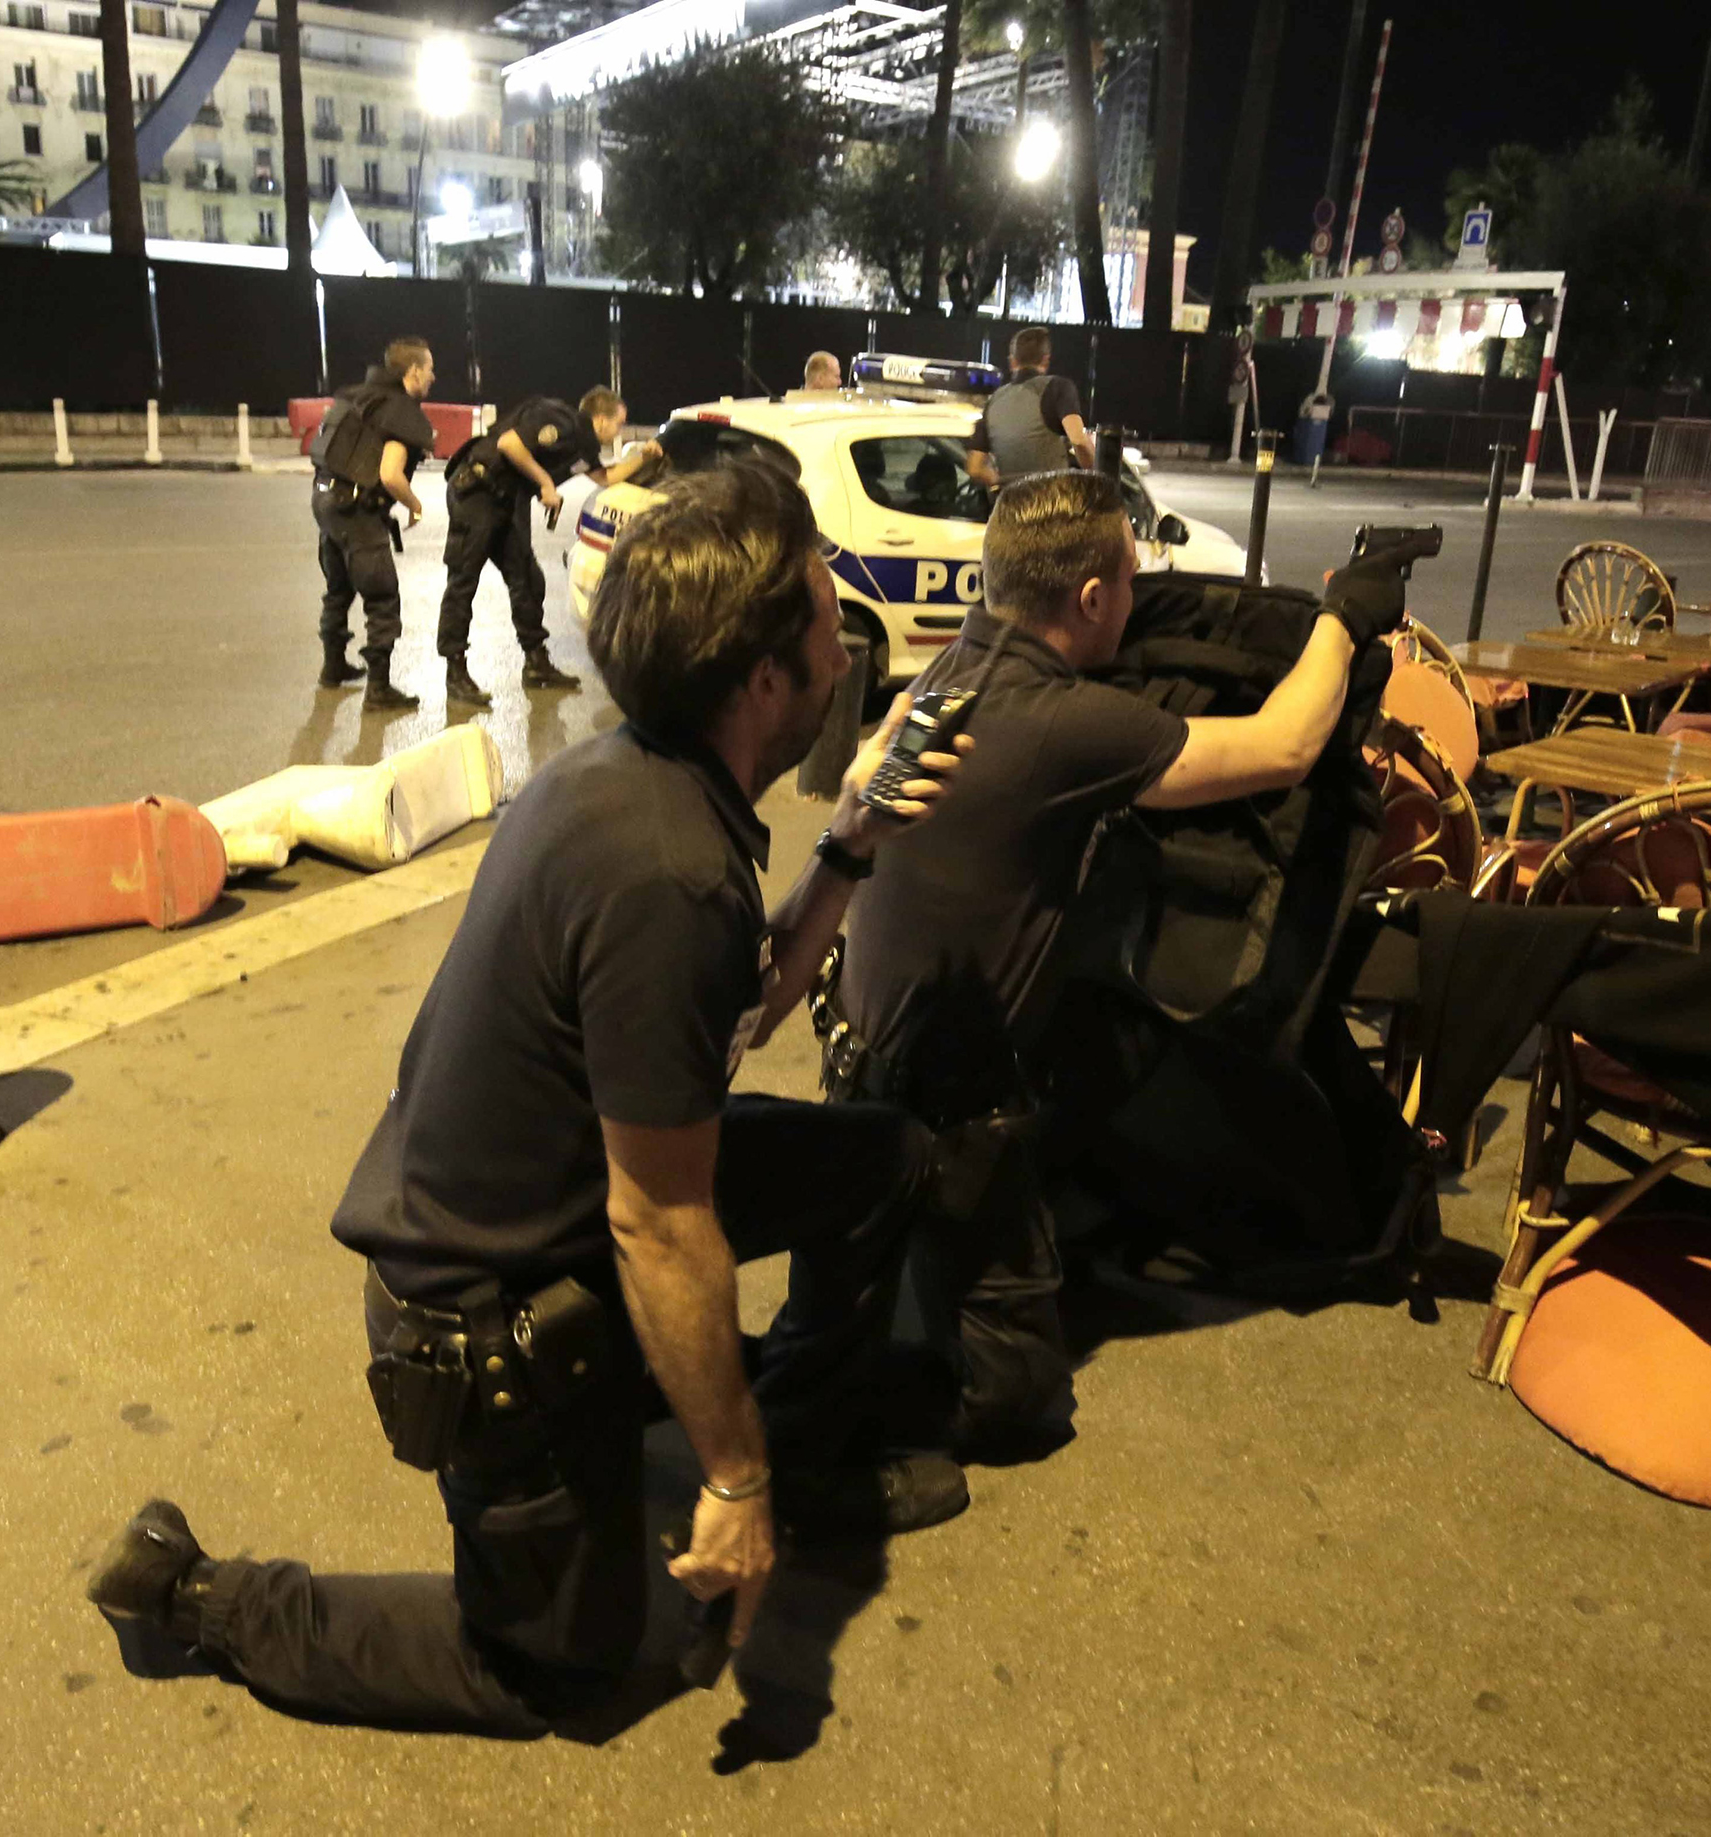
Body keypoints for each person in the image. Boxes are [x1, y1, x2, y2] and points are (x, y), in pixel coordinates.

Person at [89, 461, 978, 1734]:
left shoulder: (638, 773)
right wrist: (729, 1479)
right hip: (479, 1310)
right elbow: (657, 1223)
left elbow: (731, 1025)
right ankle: (200, 1596)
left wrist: (846, 844)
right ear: (762, 682)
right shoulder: (667, 870)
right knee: (554, 1672)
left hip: (577, 1194)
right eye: (832, 634)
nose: (849, 661)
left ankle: (794, 1446)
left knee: (874, 1160)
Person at [824, 471, 1416, 1459]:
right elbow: (1283, 748)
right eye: (1132, 582)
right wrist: (1343, 619)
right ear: (1092, 597)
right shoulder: (1063, 722)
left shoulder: (951, 671)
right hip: (938, 1114)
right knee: (1017, 1403)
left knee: (1110, 1034)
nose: (1138, 598)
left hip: (861, 1057)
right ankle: (847, 1423)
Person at [435, 387, 662, 705]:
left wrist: (644, 458)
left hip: (508, 500)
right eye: (618, 423)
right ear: (600, 419)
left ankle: (536, 663)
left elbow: (606, 477)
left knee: (528, 580)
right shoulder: (558, 418)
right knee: (463, 581)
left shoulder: (583, 444)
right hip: (477, 492)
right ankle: (455, 672)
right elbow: (509, 443)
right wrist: (544, 483)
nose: (619, 431)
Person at [314, 337, 438, 712]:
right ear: (413, 372)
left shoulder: (357, 396)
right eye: (429, 369)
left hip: (325, 501)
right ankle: (379, 689)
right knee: (382, 598)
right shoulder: (399, 410)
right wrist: (414, 505)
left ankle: (333, 667)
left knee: (338, 589)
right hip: (357, 511)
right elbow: (390, 474)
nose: (433, 377)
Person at [965, 327, 1095, 491]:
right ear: (1046, 360)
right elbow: (1078, 439)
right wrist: (1095, 473)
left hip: (1011, 502)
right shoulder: (1058, 387)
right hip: (1052, 500)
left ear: (1012, 362)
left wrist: (1001, 481)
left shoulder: (994, 400)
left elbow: (975, 468)